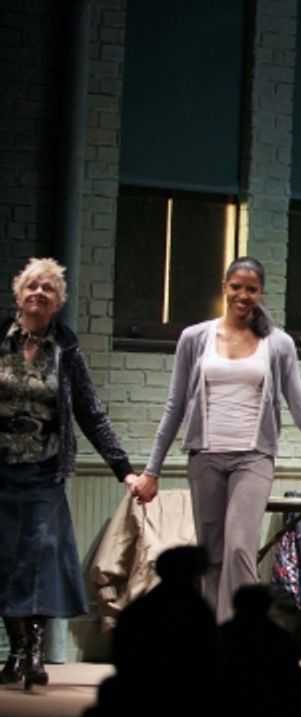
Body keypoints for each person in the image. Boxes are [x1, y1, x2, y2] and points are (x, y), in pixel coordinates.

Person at [135, 257, 301, 622]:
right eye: (236, 287)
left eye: (251, 289)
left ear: (261, 293)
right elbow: (174, 406)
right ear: (224, 287)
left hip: (253, 458)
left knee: (239, 549)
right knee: (211, 554)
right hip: (205, 457)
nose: (242, 295)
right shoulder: (195, 338)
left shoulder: (278, 344)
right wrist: (152, 470)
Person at [0, 258, 136, 689]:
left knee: (39, 558)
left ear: (58, 302)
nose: (39, 293)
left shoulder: (65, 347)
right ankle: (16, 650)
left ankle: (35, 652)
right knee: (6, 561)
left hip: (43, 471)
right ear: (19, 294)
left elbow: (90, 413)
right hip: (2, 470)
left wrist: (123, 469)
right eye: (33, 286)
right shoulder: (1, 339)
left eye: (49, 289)